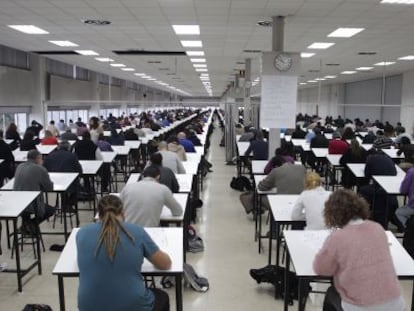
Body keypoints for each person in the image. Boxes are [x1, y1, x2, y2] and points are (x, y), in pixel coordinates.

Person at [313, 189, 404, 311]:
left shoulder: (337, 237)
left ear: (331, 214)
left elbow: (321, 269)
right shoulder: (377, 228)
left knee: (331, 293)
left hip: (361, 306)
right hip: (396, 303)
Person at [77, 195, 171, 311]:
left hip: (88, 306)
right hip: (132, 306)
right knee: (162, 297)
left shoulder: (82, 233)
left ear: (99, 215)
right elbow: (165, 264)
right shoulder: (136, 231)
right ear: (123, 212)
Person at [13, 149, 56, 223]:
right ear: (38, 158)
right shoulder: (40, 169)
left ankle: (27, 225)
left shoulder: (19, 166)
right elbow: (49, 188)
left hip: (17, 202)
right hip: (31, 204)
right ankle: (30, 225)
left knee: (26, 213)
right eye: (41, 158)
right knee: (51, 210)